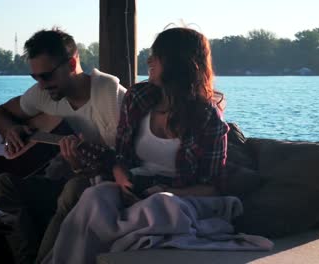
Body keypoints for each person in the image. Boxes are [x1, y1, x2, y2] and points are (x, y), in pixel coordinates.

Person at [43, 27, 231, 264]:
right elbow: (120, 157)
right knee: (95, 195)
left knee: (160, 204)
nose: (149, 60)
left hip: (180, 197)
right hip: (135, 186)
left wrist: (165, 191)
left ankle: (117, 242)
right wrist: (120, 174)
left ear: (177, 62)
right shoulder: (138, 98)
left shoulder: (207, 117)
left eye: (157, 56)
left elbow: (213, 188)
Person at [0, 28, 126, 264]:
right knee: (1, 185)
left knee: (74, 186)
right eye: (35, 78)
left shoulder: (111, 97)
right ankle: (27, 258)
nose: (41, 85)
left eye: (47, 76)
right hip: (69, 178)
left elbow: (127, 163)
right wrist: (10, 130)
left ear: (72, 64)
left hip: (105, 186)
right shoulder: (45, 94)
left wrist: (80, 166)